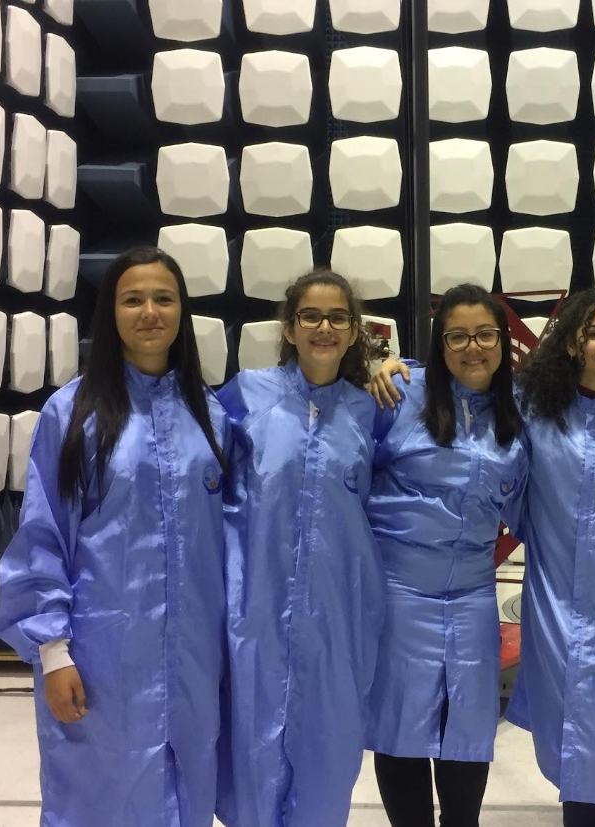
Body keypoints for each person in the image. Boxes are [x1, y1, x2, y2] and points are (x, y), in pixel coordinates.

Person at [0, 247, 229, 827]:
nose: (150, 312)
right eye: (133, 300)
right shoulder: (71, 413)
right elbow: (43, 534)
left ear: (182, 312)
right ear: (111, 313)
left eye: (164, 299)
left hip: (195, 661)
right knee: (101, 799)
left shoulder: (210, 415)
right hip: (103, 657)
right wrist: (53, 653)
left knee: (187, 792)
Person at [214, 268, 392, 827]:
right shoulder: (245, 394)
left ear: (355, 330)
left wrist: (396, 364)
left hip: (338, 615)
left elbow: (447, 386)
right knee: (252, 752)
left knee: (328, 756)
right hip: (255, 608)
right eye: (310, 316)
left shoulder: (370, 410)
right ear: (289, 328)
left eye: (338, 317)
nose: (324, 328)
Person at [363, 284, 529, 827]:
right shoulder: (400, 395)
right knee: (400, 728)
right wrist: (375, 370)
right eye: (457, 336)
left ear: (502, 342)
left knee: (467, 731)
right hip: (400, 593)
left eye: (485, 335)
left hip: (473, 594)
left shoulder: (518, 412)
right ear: (440, 345)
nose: (472, 347)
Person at [508, 289, 595, 827]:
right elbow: (466, 385)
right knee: (576, 738)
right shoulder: (535, 409)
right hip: (556, 605)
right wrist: (398, 371)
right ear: (571, 343)